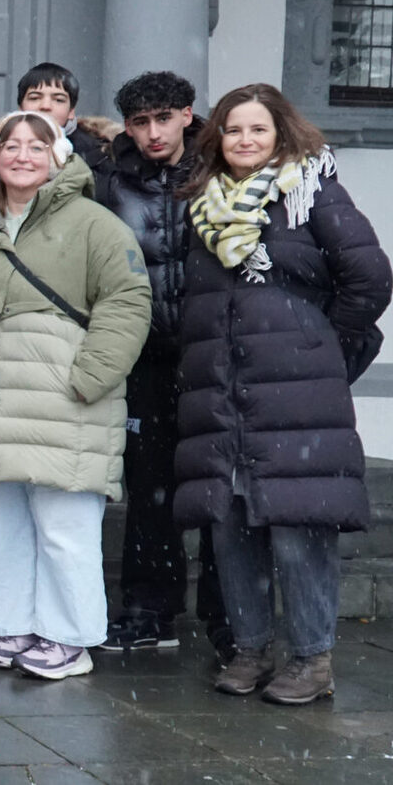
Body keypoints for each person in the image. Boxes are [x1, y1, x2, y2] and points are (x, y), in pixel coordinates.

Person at [176, 84, 391, 705]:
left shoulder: (311, 192)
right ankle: (250, 648)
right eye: (233, 130)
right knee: (232, 525)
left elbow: (370, 278)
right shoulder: (202, 205)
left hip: (297, 395)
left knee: (300, 530)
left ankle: (311, 659)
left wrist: (317, 344)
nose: (244, 140)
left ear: (281, 135)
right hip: (223, 391)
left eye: (258, 129)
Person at [0, 110, 151, 681]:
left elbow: (127, 301)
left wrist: (89, 376)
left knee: (64, 527)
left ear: (59, 158)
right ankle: (16, 626)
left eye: (37, 146)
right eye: (11, 146)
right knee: (4, 524)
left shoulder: (94, 223)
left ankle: (70, 638)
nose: (22, 155)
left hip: (65, 400)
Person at [89, 71, 226, 655]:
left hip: (213, 351)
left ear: (187, 115)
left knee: (221, 484)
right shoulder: (109, 181)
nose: (153, 133)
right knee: (148, 484)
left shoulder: (219, 169)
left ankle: (228, 618)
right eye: (140, 122)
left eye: (164, 119)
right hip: (143, 355)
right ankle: (150, 608)